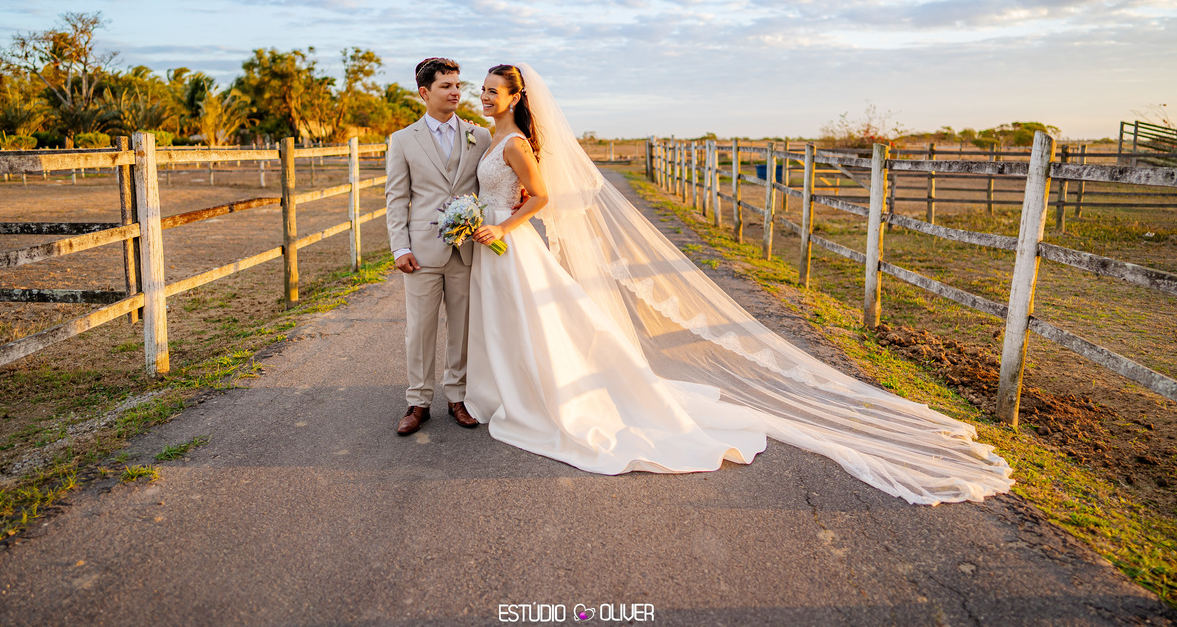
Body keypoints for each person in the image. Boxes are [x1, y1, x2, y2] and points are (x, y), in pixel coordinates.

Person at [462, 63, 1014, 505]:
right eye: (482, 90)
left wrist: (502, 226)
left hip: (508, 241)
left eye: (493, 91)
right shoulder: (491, 136)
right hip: (491, 241)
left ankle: (546, 397)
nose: (485, 97)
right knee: (508, 321)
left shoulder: (516, 144)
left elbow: (542, 197)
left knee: (536, 320)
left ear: (515, 97)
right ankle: (510, 390)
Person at [384, 58, 491, 435]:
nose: (455, 92)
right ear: (424, 93)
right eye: (446, 86)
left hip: (466, 249)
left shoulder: (481, 136)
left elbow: (492, 184)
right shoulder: (402, 140)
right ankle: (418, 402)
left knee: (462, 328)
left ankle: (457, 398)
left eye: (458, 85)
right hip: (421, 251)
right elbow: (396, 198)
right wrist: (399, 248)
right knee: (419, 329)